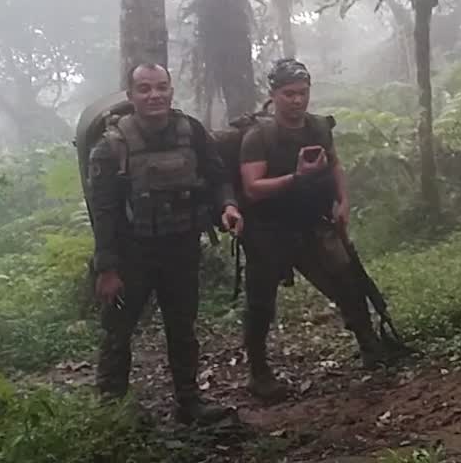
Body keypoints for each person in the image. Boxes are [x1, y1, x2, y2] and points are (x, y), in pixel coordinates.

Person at [87, 63, 242, 424]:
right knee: (117, 332)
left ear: (172, 90)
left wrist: (228, 206)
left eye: (161, 87)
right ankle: (111, 412)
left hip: (181, 249)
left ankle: (189, 404)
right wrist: (107, 268)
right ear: (131, 96)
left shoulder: (192, 132)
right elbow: (104, 213)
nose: (154, 95)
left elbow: (218, 176)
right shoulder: (111, 147)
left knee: (182, 328)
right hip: (131, 254)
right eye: (144, 89)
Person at [238, 58, 391, 403]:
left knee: (346, 281)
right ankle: (259, 372)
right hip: (268, 229)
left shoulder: (318, 127)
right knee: (261, 302)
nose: (297, 100)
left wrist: (343, 201)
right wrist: (296, 179)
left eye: (303, 93)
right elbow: (252, 187)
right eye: (289, 93)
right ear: (274, 95)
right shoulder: (258, 136)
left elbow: (334, 165)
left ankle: (371, 346)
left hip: (311, 222)